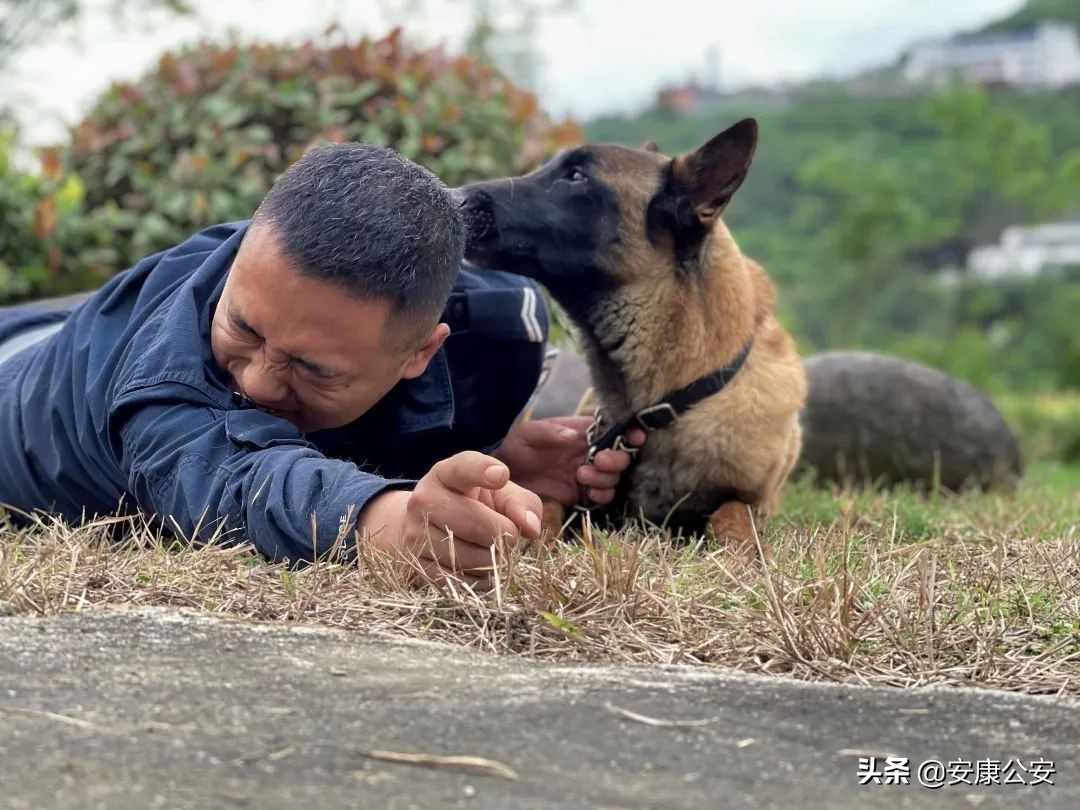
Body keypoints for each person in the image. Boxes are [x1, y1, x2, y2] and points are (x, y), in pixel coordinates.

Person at [0, 143, 641, 582]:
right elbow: (233, 481)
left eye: (314, 369)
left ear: (423, 351)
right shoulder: (159, 379)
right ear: (248, 245)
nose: (254, 379)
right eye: (242, 328)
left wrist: (498, 453)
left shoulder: (501, 337)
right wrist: (381, 522)